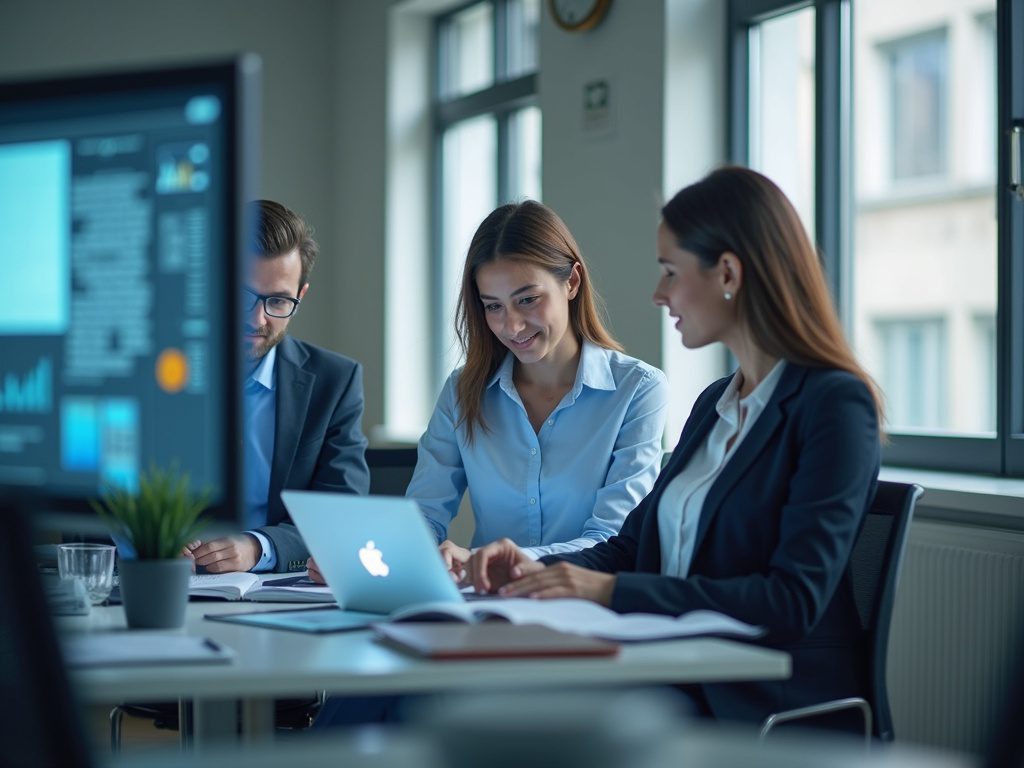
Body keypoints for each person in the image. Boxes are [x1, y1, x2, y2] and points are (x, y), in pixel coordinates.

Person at [465, 167, 885, 731]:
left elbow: (791, 600)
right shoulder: (717, 402)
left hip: (763, 697)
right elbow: (631, 546)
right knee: (484, 699)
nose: (658, 295)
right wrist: (535, 569)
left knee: (522, 719)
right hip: (672, 669)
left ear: (728, 273)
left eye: (670, 272)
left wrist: (610, 591)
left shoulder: (833, 403)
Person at [310, 200, 668, 586]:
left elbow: (611, 539)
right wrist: (366, 557)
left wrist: (496, 560)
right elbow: (424, 514)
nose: (512, 325)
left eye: (527, 299)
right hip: (486, 602)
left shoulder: (638, 389)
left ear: (572, 282)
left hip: (582, 603)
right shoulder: (462, 391)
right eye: (493, 306)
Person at [185, 199, 370, 574]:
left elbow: (342, 514)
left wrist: (259, 547)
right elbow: (99, 496)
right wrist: (151, 538)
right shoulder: (149, 372)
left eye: (279, 301)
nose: (257, 319)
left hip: (273, 591)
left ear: (300, 296)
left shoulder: (335, 381)